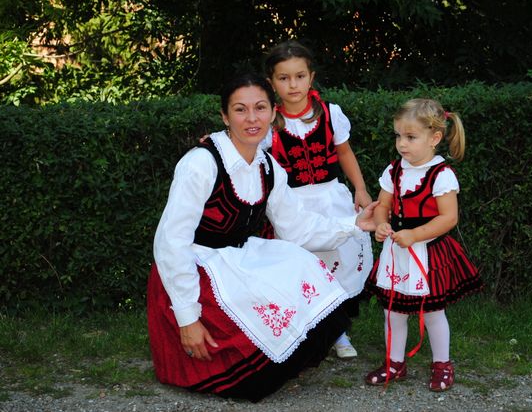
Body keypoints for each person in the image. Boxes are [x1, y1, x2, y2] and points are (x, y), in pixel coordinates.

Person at [147, 72, 378, 402]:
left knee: (301, 266)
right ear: (225, 116)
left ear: (273, 112)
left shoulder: (268, 166)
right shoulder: (200, 164)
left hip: (236, 258)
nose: (252, 118)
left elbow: (297, 227)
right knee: (253, 382)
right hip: (193, 269)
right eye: (240, 110)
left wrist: (355, 223)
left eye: (260, 108)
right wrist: (187, 318)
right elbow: (171, 242)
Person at [262, 40, 374, 359]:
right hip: (293, 205)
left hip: (330, 198)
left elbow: (344, 153)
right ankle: (306, 333)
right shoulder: (268, 123)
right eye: (284, 78)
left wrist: (360, 188)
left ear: (311, 77)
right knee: (301, 268)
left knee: (338, 263)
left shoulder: (329, 114)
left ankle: (338, 331)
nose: (293, 85)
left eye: (299, 76)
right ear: (272, 83)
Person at [364, 98, 484, 391]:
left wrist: (415, 235)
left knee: (432, 312)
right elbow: (383, 205)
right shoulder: (394, 170)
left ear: (434, 138)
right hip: (398, 251)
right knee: (393, 311)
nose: (402, 144)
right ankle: (395, 363)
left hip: (428, 253)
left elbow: (449, 218)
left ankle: (442, 364)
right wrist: (381, 224)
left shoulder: (441, 175)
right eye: (398, 136)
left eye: (410, 137)